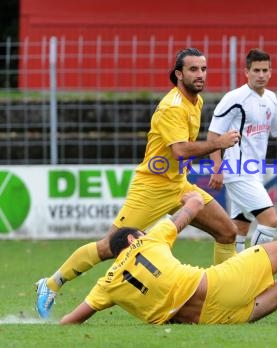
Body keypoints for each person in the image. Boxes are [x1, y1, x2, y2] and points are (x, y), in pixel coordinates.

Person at [36, 48, 242, 319]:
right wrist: (218, 143)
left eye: (203, 69)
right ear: (179, 74)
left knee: (227, 232)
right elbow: (180, 150)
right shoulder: (172, 107)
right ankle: (50, 283)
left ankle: (224, 297)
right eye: (193, 69)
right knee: (109, 246)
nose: (200, 74)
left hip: (179, 185)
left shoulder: (196, 101)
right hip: (152, 187)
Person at [59, 191, 277, 325]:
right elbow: (187, 213)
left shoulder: (107, 284)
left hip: (216, 320)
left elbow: (71, 321)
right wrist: (188, 196)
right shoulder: (147, 241)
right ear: (133, 238)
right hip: (217, 286)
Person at [207, 48, 277, 252]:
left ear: (271, 72)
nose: (261, 75)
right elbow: (213, 135)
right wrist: (217, 167)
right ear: (246, 72)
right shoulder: (234, 98)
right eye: (256, 70)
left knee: (239, 228)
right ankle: (255, 268)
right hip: (237, 171)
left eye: (265, 70)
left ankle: (231, 275)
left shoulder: (271, 98)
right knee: (270, 220)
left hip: (255, 172)